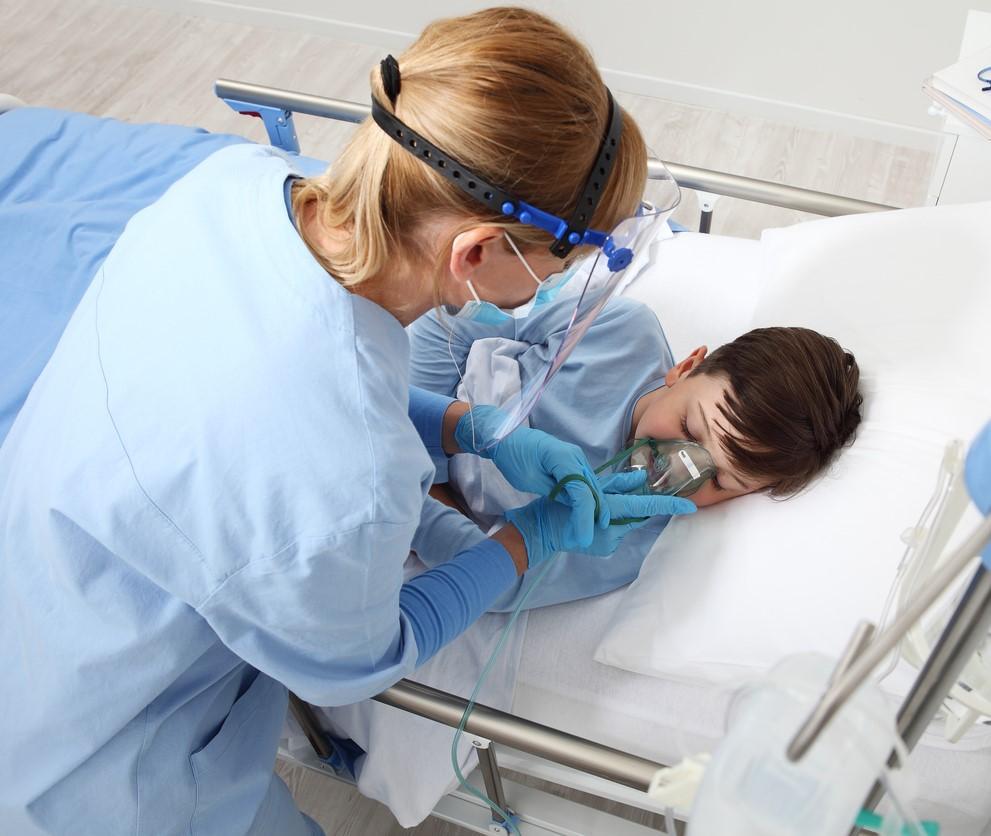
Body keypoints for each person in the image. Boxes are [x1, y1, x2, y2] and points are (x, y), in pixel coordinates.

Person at [0, 8, 695, 836]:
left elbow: (261, 372)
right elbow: (358, 660)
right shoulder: (348, 482)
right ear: (475, 252)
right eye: (564, 266)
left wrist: (466, 426)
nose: (561, 288)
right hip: (105, 777)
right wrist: (525, 541)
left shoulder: (229, 188)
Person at [407, 291, 863, 610]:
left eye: (719, 479)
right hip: (402, 399)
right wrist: (424, 438)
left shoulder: (629, 538)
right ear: (686, 368)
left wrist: (414, 488)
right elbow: (450, 317)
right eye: (689, 426)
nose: (677, 465)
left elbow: (494, 584)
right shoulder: (617, 329)